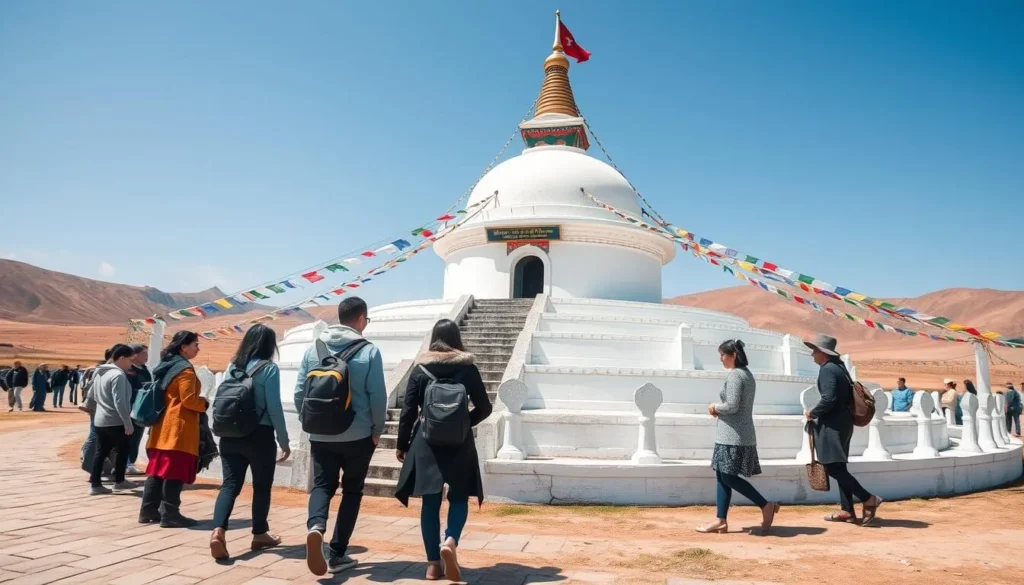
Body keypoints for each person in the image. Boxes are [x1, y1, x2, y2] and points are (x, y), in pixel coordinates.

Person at [395, 319, 492, 582]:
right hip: (460, 444)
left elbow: (407, 411)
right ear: (457, 338)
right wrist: (462, 424)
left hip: (426, 443)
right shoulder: (468, 369)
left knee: (430, 501)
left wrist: (402, 444)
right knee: (459, 497)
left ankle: (432, 565)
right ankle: (450, 541)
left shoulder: (421, 369)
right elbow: (485, 408)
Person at [295, 297, 386, 576]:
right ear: (361, 319)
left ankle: (315, 527)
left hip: (320, 434)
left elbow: (300, 392)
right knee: (352, 491)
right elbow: (378, 396)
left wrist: (310, 421)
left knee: (322, 485)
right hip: (357, 435)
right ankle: (337, 554)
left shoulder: (314, 348)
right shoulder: (369, 351)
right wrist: (376, 430)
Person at [210, 324, 291, 560]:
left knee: (230, 485)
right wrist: (283, 440)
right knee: (262, 486)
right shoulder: (269, 369)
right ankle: (259, 533)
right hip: (260, 435)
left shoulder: (232, 366)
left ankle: (218, 531)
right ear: (269, 345)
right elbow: (274, 407)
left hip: (230, 435)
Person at [697, 339, 779, 535]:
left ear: (733, 355)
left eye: (723, 355)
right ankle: (720, 520)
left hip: (732, 435)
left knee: (727, 477)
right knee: (722, 476)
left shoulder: (735, 376)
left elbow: (732, 405)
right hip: (736, 433)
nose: (721, 359)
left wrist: (715, 407)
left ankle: (765, 504)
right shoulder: (747, 375)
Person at [803, 334, 883, 525]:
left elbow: (829, 399)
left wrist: (812, 413)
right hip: (843, 423)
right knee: (839, 466)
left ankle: (868, 499)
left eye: (815, 351)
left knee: (832, 467)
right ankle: (847, 510)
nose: (812, 354)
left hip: (832, 425)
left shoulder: (828, 370)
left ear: (823, 353)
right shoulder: (840, 368)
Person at [139, 331, 208, 528]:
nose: (197, 348)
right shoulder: (185, 370)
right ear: (183, 347)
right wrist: (204, 403)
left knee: (157, 470)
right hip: (179, 428)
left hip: (162, 426)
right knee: (174, 471)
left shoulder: (167, 366)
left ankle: (148, 510)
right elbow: (189, 400)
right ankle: (170, 514)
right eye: (195, 344)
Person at [88, 345, 138, 495]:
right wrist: (127, 422)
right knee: (123, 450)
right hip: (115, 421)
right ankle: (119, 481)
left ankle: (95, 484)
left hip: (100, 419)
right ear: (121, 358)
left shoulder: (99, 372)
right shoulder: (118, 375)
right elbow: (120, 401)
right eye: (130, 360)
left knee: (101, 451)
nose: (132, 364)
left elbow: (93, 396)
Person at [124, 345, 153, 476]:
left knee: (137, 437)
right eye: (144, 353)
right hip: (131, 408)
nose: (147, 356)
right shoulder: (129, 370)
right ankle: (125, 463)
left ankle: (131, 462)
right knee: (128, 437)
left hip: (142, 408)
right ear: (134, 354)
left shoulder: (145, 370)